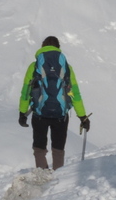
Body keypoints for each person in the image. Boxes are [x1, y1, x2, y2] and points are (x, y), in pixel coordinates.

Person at [19, 36, 90, 170]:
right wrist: (82, 116)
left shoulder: (34, 67)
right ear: (58, 48)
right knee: (58, 149)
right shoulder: (66, 67)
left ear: (42, 47)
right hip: (60, 115)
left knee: (39, 148)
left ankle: (42, 174)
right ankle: (58, 178)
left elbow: (26, 92)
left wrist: (23, 112)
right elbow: (75, 93)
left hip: (39, 114)